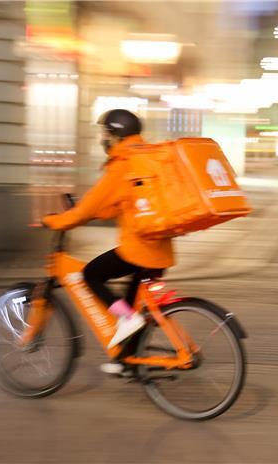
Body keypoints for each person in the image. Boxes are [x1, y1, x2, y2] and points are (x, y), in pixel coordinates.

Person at [36, 109, 174, 375]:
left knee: (91, 275)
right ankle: (127, 361)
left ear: (115, 135)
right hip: (160, 249)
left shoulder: (123, 163)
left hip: (138, 251)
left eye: (105, 133)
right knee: (133, 307)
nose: (103, 138)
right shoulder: (146, 158)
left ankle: (127, 321)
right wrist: (91, 214)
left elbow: (88, 207)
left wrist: (58, 220)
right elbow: (114, 206)